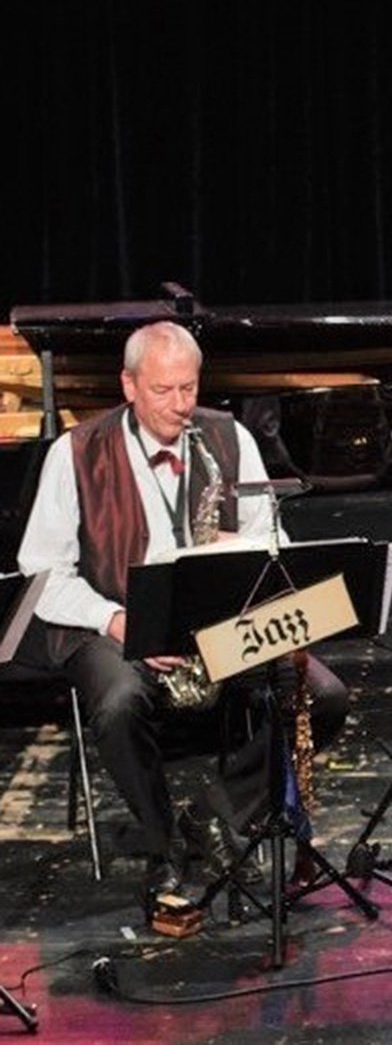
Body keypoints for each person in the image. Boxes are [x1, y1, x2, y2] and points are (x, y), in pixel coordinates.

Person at [12, 321, 350, 914]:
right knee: (118, 703)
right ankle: (163, 844)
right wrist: (115, 620)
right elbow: (41, 569)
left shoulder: (228, 437)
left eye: (189, 389)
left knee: (322, 694)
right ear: (129, 385)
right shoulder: (76, 452)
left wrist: (235, 550)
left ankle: (214, 814)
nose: (180, 405)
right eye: (164, 391)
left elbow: (269, 536)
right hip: (113, 621)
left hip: (214, 626)